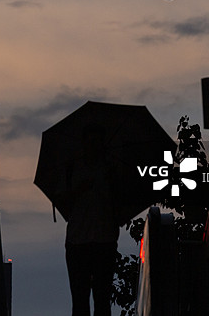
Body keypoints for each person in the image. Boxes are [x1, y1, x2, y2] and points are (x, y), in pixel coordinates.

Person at [64, 124, 119, 316]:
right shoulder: (72, 168)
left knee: (102, 299)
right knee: (80, 300)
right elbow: (62, 202)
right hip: (78, 240)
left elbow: (119, 202)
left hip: (103, 239)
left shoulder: (111, 171)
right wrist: (78, 190)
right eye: (91, 141)